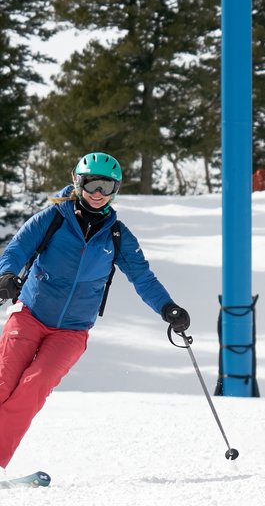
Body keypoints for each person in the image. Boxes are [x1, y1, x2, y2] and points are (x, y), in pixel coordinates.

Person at [0, 153, 191, 472]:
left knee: (35, 383)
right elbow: (17, 249)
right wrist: (7, 275)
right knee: (3, 383)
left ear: (115, 189)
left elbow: (142, 277)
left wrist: (167, 307)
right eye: (92, 183)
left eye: (106, 185)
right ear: (78, 182)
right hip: (30, 316)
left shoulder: (117, 236)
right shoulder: (53, 218)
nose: (98, 192)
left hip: (71, 332)